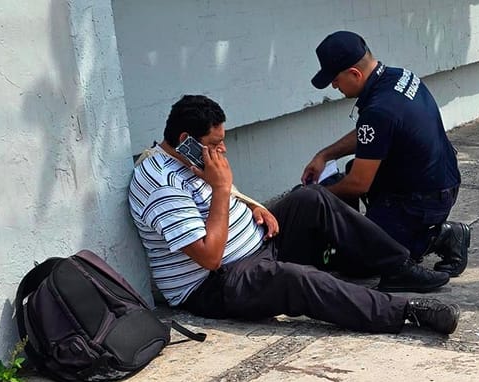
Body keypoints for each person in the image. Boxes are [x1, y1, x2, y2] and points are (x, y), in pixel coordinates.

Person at [129, 94, 460, 335]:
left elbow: (227, 197)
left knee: (310, 197)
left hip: (259, 245)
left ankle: (398, 265)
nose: (223, 150)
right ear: (186, 141)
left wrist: (254, 207)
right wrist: (220, 187)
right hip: (217, 283)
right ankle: (404, 312)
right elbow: (210, 257)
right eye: (215, 144)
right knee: (296, 279)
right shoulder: (162, 186)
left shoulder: (193, 160)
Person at [302, 31, 471, 277]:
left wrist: (316, 195)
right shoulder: (400, 76)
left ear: (355, 74)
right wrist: (325, 155)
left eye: (335, 79)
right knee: (351, 171)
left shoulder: (379, 109)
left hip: (423, 200)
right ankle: (387, 227)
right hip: (439, 181)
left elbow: (359, 184)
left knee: (360, 264)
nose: (334, 86)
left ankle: (440, 237)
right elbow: (371, 133)